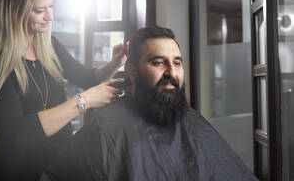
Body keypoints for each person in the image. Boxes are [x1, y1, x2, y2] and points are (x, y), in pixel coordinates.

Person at [0, 0, 127, 181]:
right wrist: (83, 101)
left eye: (51, 6)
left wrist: (115, 63)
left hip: (59, 168)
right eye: (40, 10)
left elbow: (87, 78)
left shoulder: (49, 45)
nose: (50, 16)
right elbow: (17, 135)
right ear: (15, 11)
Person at [70, 26, 257, 181]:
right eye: (159, 63)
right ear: (133, 73)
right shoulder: (106, 128)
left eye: (177, 63)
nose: (172, 72)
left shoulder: (191, 120)